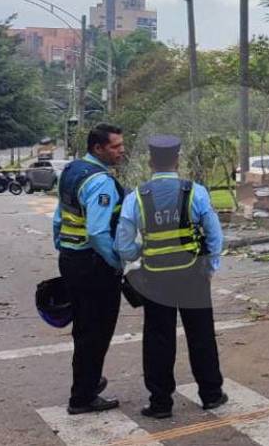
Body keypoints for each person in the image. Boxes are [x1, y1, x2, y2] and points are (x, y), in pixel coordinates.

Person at [114, 135, 227, 419]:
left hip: (156, 279)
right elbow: (215, 235)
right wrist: (211, 267)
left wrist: (145, 248)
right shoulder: (195, 192)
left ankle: (161, 403)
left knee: (158, 339)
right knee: (201, 335)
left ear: (150, 162)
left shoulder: (136, 197)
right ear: (177, 160)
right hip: (193, 276)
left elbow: (123, 247)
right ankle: (211, 395)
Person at [52, 124, 126, 414]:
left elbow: (59, 218)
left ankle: (88, 382)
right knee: (96, 331)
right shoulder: (101, 182)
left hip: (72, 259)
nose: (122, 151)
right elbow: (97, 232)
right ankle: (83, 396)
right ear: (98, 148)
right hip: (94, 264)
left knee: (84, 328)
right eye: (116, 146)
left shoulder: (71, 171)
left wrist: (63, 247)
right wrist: (116, 262)